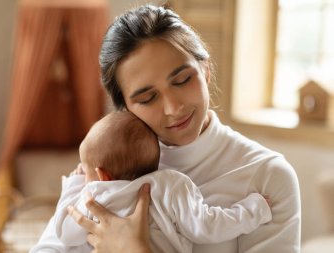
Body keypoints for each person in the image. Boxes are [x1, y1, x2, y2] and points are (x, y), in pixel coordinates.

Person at [67, 4, 301, 253]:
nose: (173, 108)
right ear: (124, 107)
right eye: (148, 98)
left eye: (182, 80)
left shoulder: (268, 176)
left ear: (206, 70)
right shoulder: (107, 171)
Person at [31, 111, 272, 253]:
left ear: (102, 176)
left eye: (85, 170)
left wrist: (74, 185)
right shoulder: (170, 184)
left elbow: (64, 231)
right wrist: (253, 210)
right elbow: (208, 225)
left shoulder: (94, 197)